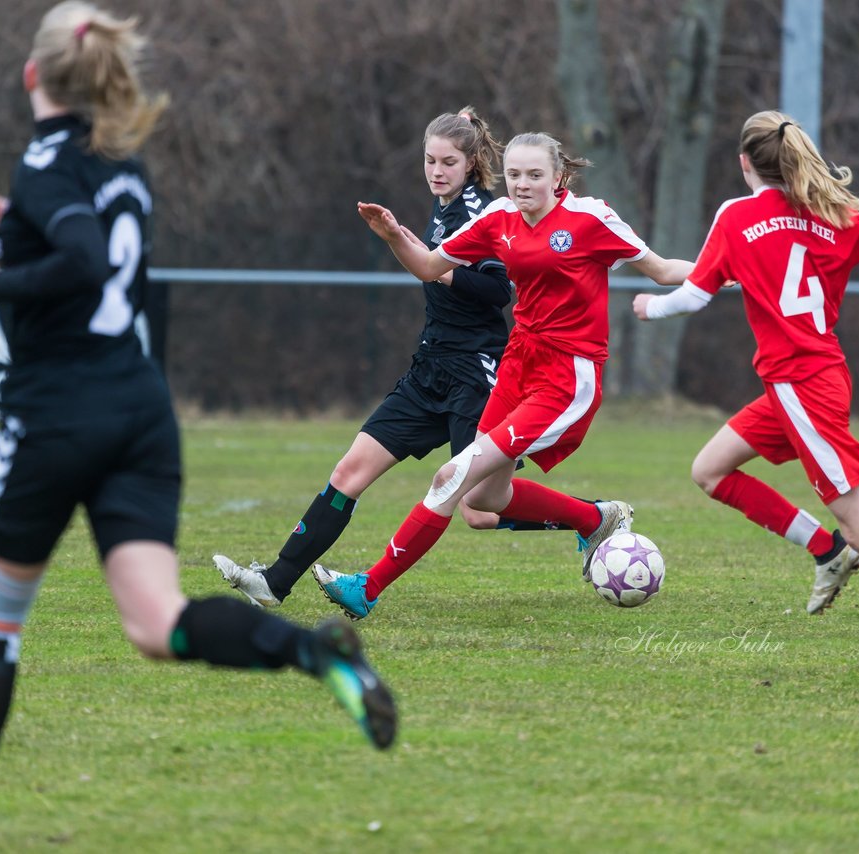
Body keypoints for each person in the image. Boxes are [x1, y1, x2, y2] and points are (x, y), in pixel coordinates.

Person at [0, 4, 396, 851]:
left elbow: (78, 261)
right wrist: (12, 226)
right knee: (157, 624)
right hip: (139, 410)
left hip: (59, 412)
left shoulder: (45, 160)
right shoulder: (124, 165)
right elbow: (91, 254)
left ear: (32, 76)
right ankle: (314, 655)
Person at [632, 109, 859, 693]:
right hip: (809, 381)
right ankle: (824, 548)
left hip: (802, 390)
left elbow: (693, 299)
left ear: (743, 164)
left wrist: (648, 308)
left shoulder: (737, 214)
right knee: (709, 470)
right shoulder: (832, 212)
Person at [213, 109, 589, 609]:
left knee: (478, 509)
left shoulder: (484, 211)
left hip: (475, 375)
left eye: (448, 162)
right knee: (349, 473)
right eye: (429, 160)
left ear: (471, 162)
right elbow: (432, 259)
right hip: (428, 369)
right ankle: (275, 582)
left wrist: (432, 266)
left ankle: (594, 516)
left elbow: (498, 289)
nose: (436, 170)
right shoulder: (445, 203)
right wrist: (401, 237)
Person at [311, 132, 694, 620]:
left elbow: (661, 271)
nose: (522, 184)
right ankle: (597, 518)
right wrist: (392, 236)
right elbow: (430, 267)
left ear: (558, 178)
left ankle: (368, 585)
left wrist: (729, 270)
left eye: (535, 175)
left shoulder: (590, 218)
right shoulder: (497, 219)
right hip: (518, 364)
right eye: (514, 174)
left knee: (451, 476)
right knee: (481, 501)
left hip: (566, 376)